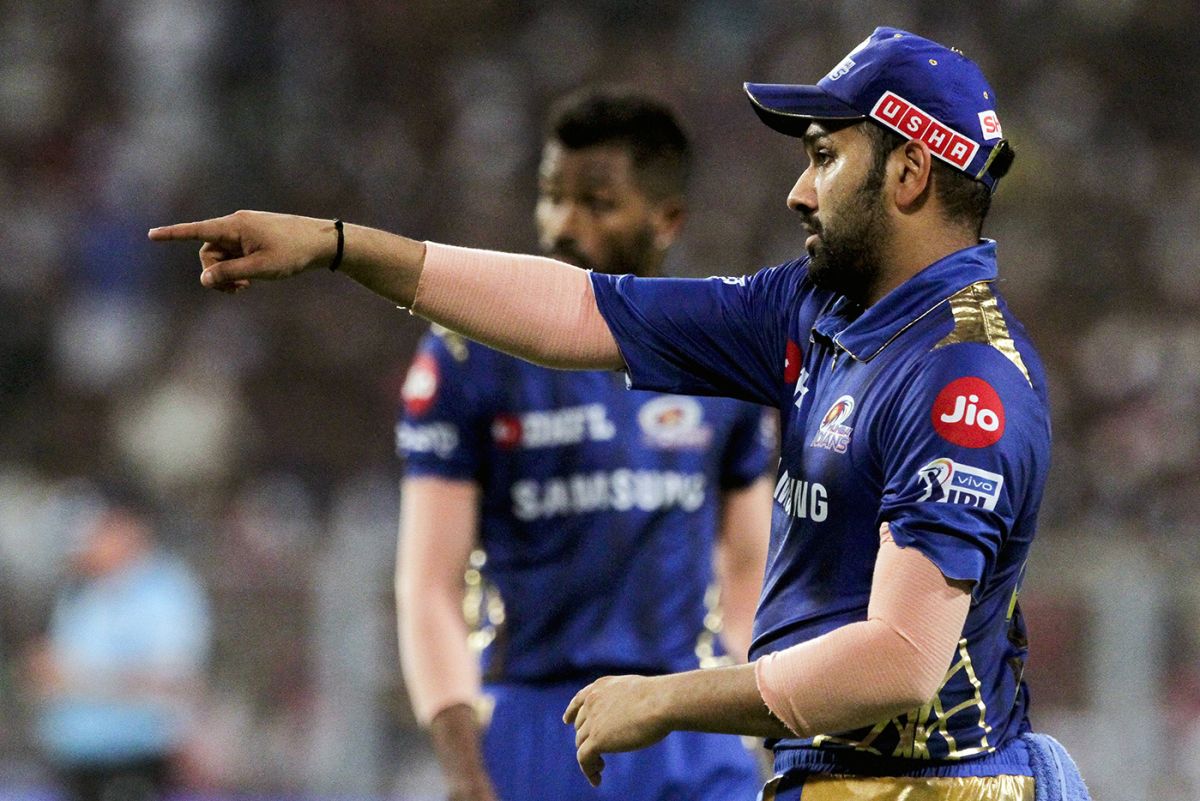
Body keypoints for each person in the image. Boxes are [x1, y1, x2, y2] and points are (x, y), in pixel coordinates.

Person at [150, 27, 1091, 800]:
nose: (799, 189)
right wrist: (340, 246)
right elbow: (576, 308)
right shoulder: (816, 312)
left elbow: (900, 660)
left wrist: (671, 699)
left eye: (823, 156)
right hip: (836, 771)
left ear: (911, 174)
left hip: (932, 785)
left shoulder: (963, 381)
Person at [393, 89, 774, 801]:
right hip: (537, 726)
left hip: (687, 723)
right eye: (551, 196)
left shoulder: (726, 348)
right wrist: (463, 767)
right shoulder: (469, 355)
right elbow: (428, 584)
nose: (563, 223)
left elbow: (751, 563)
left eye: (595, 203)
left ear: (667, 221)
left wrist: (757, 711)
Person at [24, 484, 211, 801]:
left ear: (127, 528)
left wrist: (77, 680)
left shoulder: (166, 593)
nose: (84, 545)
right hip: (74, 758)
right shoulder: (79, 592)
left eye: (96, 531)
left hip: (131, 759)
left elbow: (174, 682)